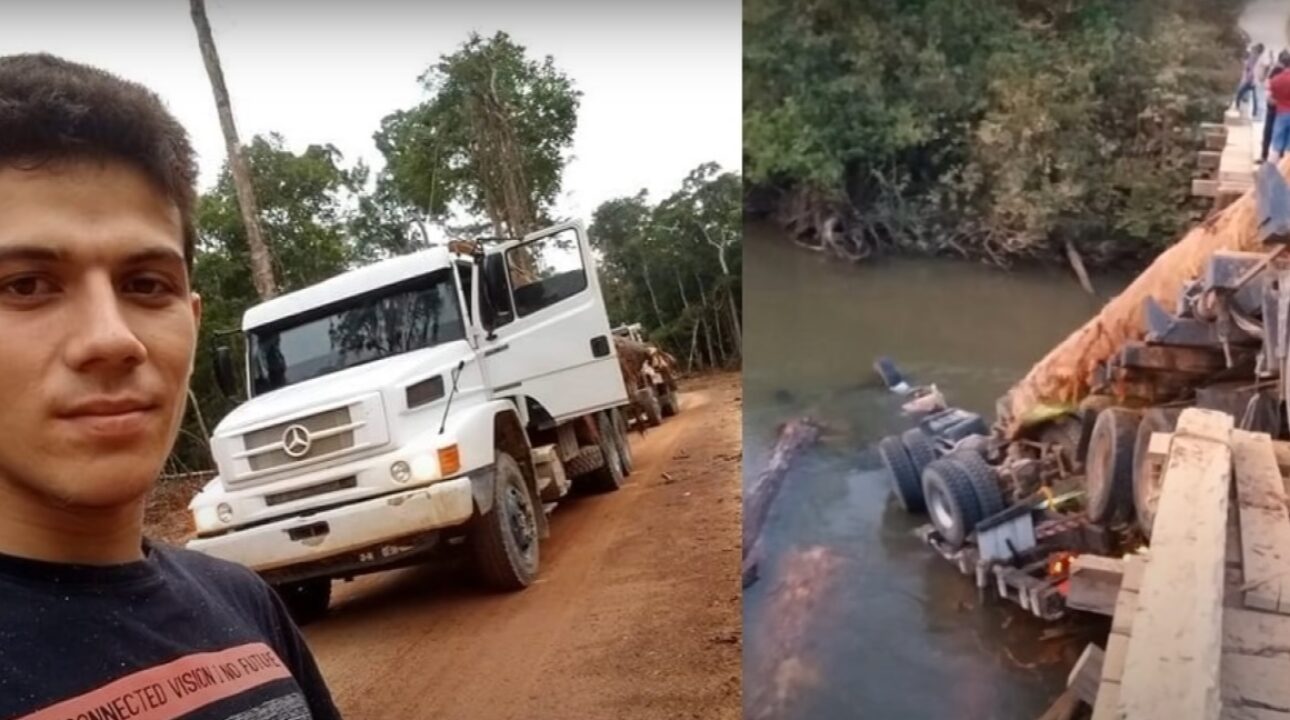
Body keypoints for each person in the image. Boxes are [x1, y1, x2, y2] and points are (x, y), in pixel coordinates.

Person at [0, 54, 341, 719]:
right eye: (25, 285)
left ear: (190, 321)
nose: (111, 338)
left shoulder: (243, 603)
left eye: (144, 285)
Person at [1262, 51, 1290, 161]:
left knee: (1276, 145)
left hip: (1280, 113)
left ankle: (1271, 169)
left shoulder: (1276, 79)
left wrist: (1277, 102)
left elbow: (1269, 97)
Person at [1236, 43, 1266, 118]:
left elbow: (1261, 70)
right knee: (1241, 93)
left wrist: (1260, 78)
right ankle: (1238, 106)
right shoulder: (1253, 57)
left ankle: (1254, 113)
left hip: (1254, 81)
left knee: (1255, 97)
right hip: (1250, 80)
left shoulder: (1260, 59)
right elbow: (1248, 67)